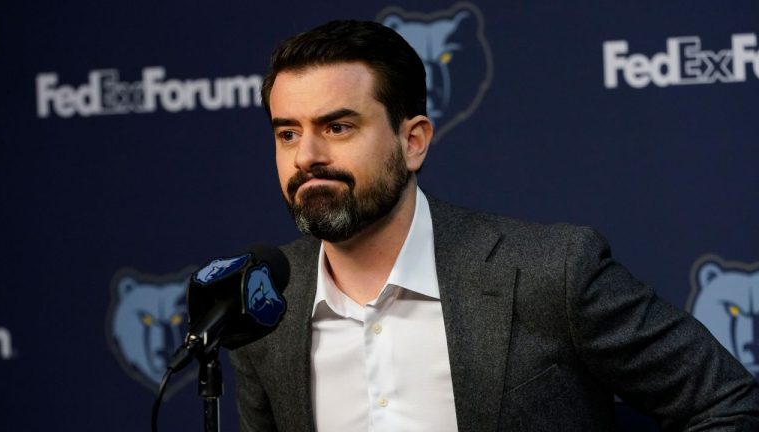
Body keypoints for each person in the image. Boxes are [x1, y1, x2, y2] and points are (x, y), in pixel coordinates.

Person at [228, 20, 759, 431]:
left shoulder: (551, 271)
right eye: (288, 134)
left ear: (412, 141)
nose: (307, 157)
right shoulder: (266, 302)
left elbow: (730, 404)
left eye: (338, 127)